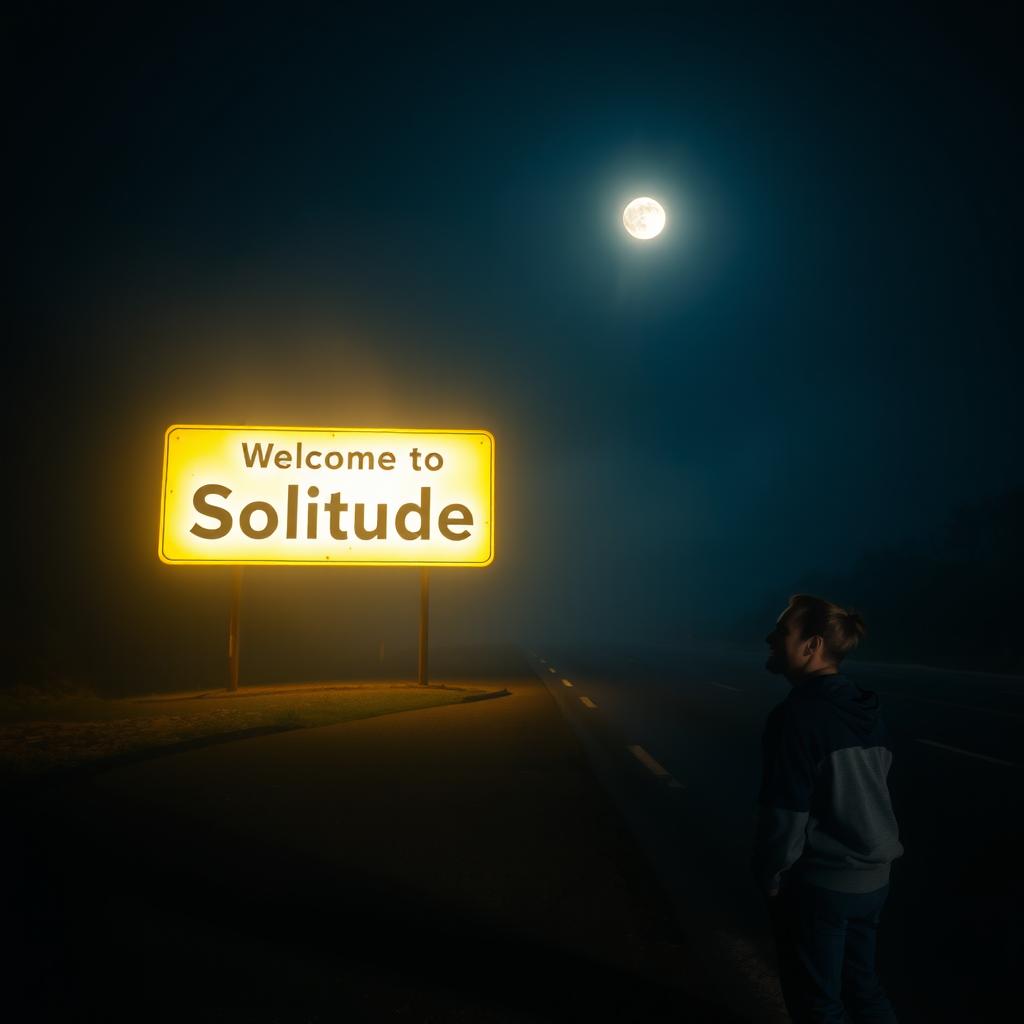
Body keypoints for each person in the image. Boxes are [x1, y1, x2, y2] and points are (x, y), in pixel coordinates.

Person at [751, 594, 904, 1024]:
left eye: (782, 631)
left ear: (811, 645)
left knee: (817, 1003)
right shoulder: (865, 706)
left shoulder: (796, 716)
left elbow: (786, 814)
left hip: (822, 884)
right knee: (864, 989)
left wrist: (770, 875)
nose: (769, 638)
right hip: (874, 877)